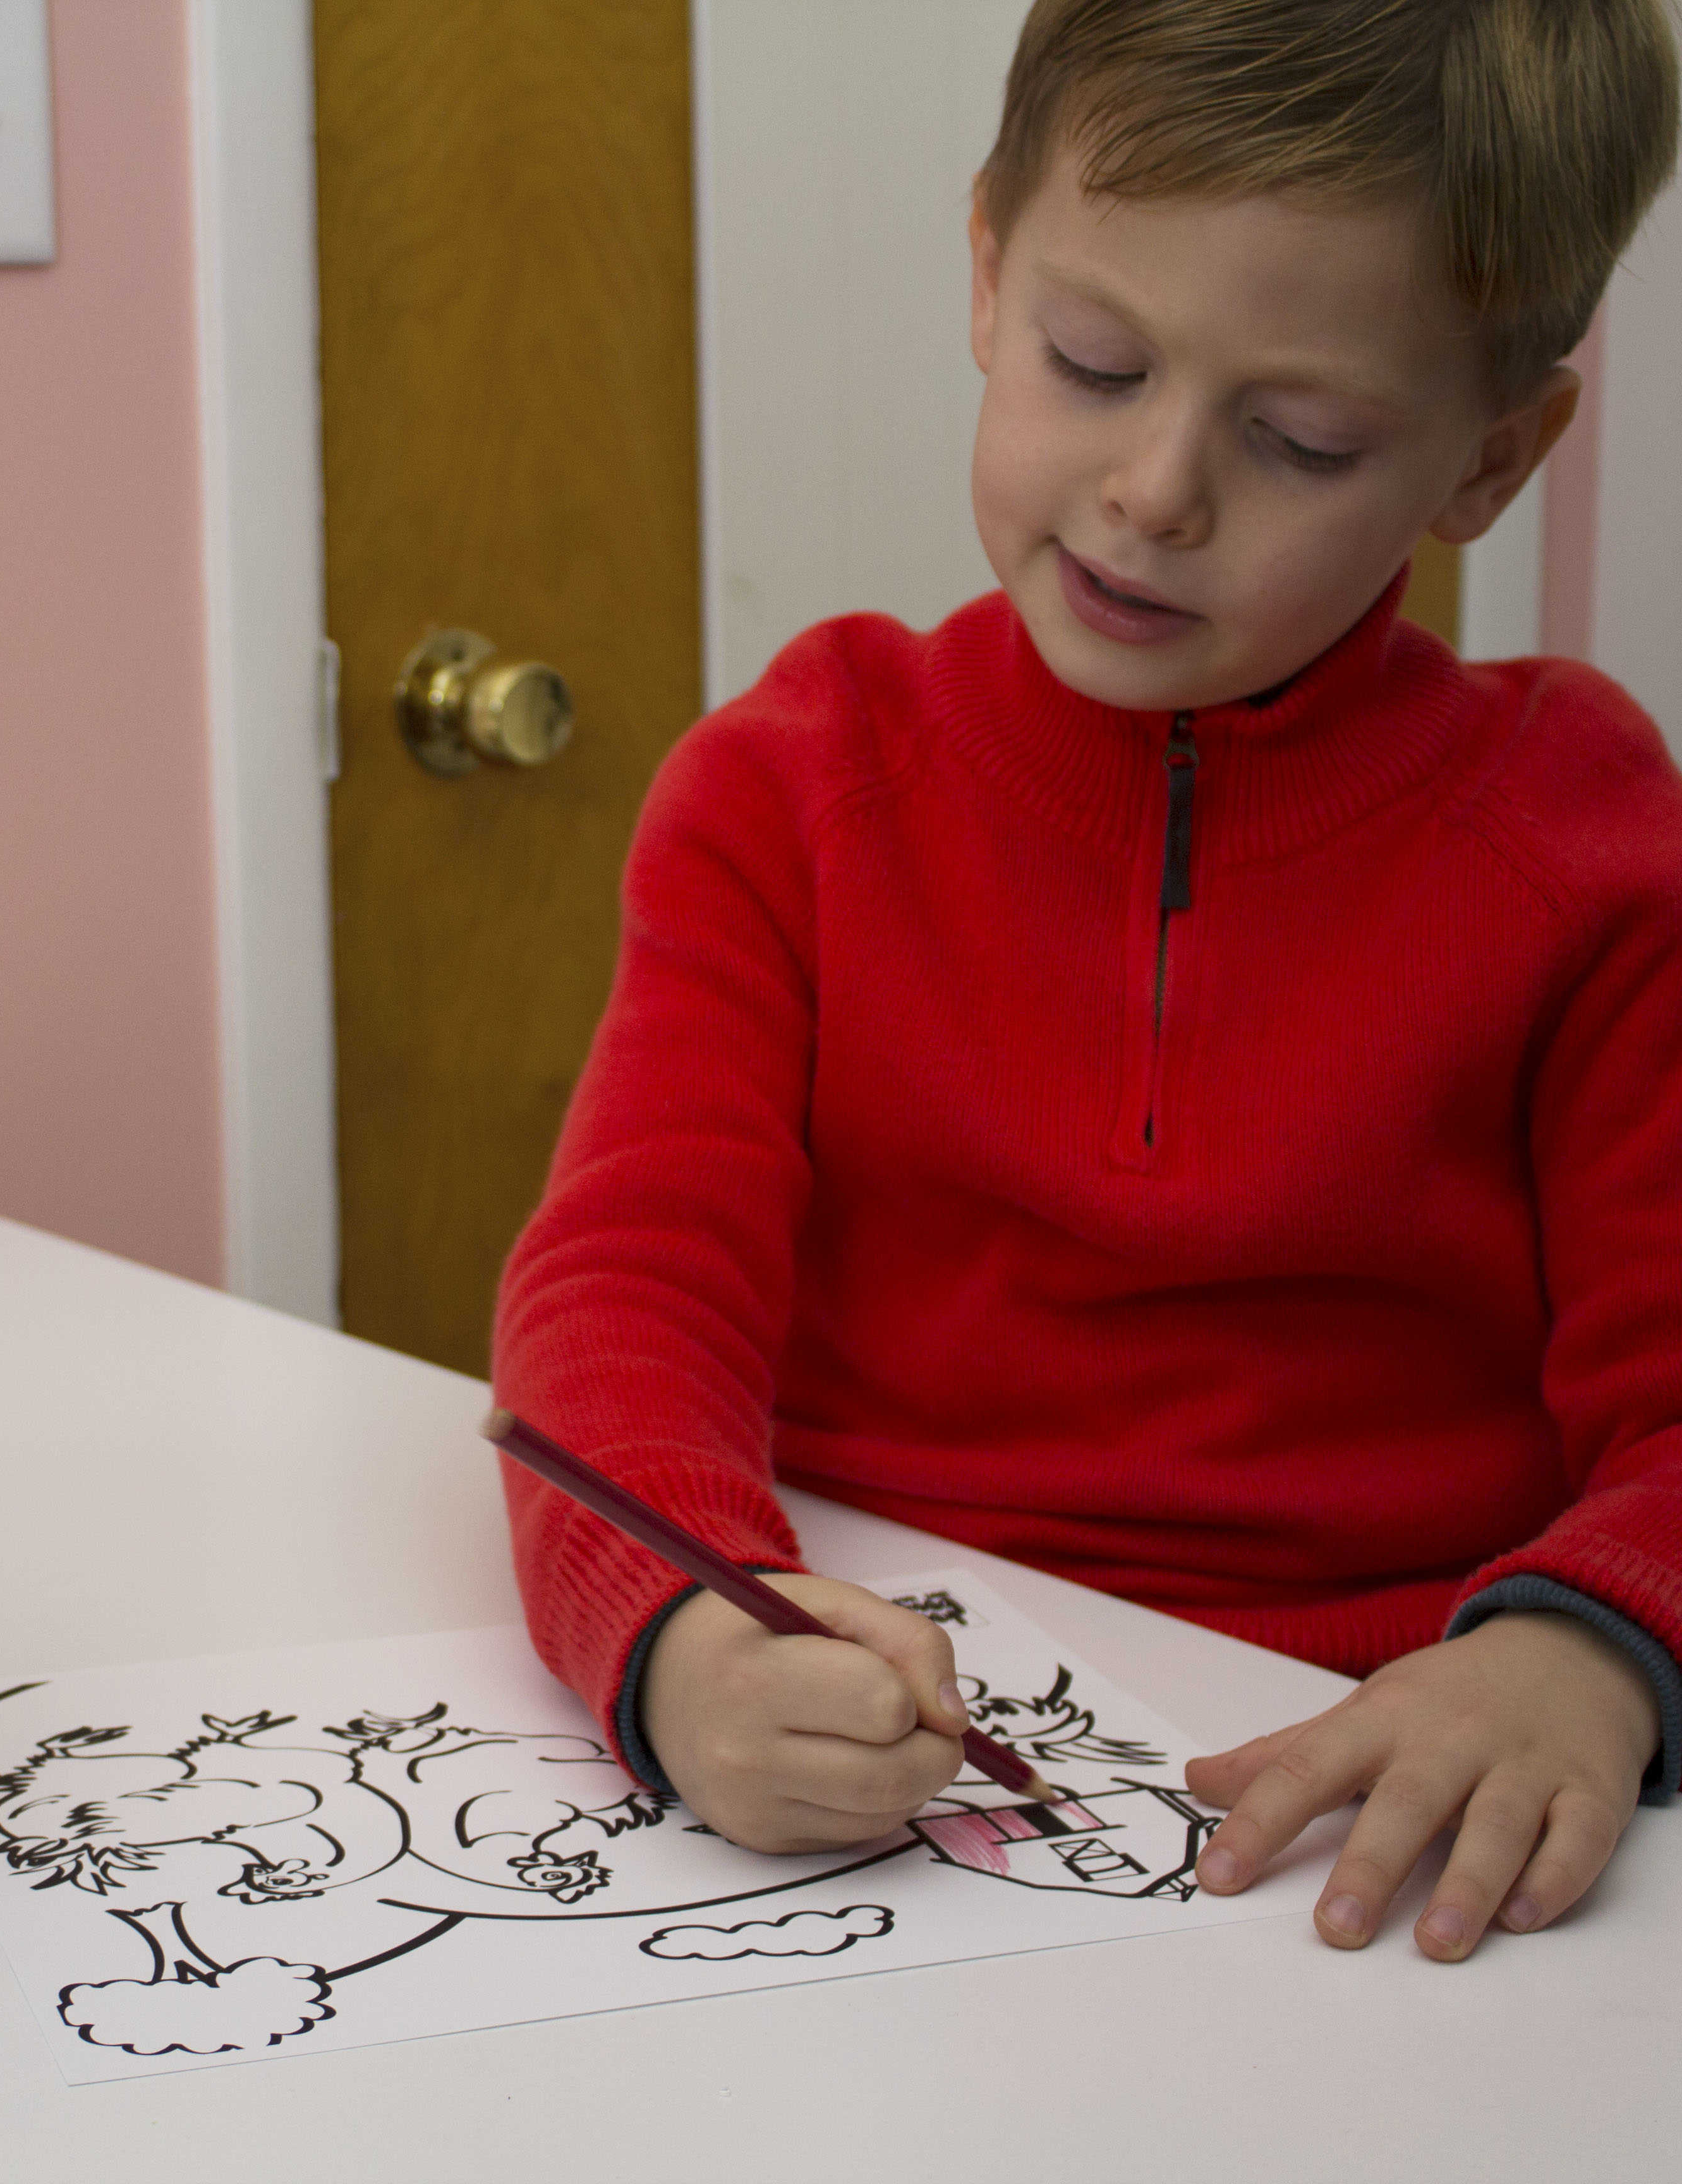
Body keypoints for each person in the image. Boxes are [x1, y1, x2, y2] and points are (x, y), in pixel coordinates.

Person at [492, 0, 1682, 1965]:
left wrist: (1593, 1651)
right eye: (1095, 360)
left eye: (1299, 439)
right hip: (875, 1744)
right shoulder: (789, 792)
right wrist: (683, 1624)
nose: (1152, 490)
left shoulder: (1586, 845)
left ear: (1494, 458)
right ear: (985, 268)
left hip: (1370, 1823)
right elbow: (624, 1297)